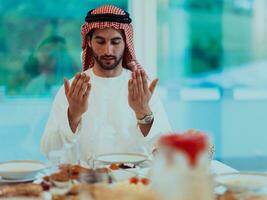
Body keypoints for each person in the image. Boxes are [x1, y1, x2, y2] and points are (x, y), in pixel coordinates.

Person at [41, 5, 172, 163]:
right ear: (89, 41)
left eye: (115, 42)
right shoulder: (73, 89)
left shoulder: (142, 88)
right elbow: (50, 152)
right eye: (100, 41)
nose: (108, 50)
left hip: (135, 183)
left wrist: (143, 113)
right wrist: (73, 116)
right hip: (86, 181)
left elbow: (168, 152)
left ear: (126, 43)